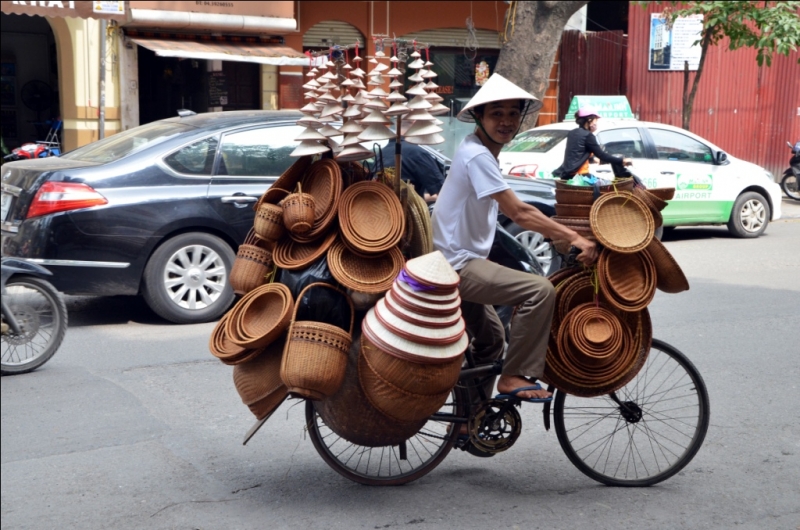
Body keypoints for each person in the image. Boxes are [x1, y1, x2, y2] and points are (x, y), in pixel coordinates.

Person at [431, 74, 599, 409]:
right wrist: (573, 237)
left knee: (492, 341)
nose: (506, 122)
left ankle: (469, 420)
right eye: (497, 114)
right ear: (479, 117)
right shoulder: (477, 156)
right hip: (456, 266)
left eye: (512, 114)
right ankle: (514, 375)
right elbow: (519, 212)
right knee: (539, 290)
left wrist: (558, 230)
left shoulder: (480, 152)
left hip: (456, 261)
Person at [553, 107, 632, 180]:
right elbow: (602, 155)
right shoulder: (588, 135)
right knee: (606, 186)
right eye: (595, 120)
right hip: (581, 176)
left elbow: (577, 153)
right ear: (589, 120)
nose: (596, 123)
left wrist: (592, 159)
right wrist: (622, 160)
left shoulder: (572, 133)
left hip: (567, 175)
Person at [380, 138, 445, 203]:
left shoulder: (380, 154)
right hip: (404, 207)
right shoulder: (417, 152)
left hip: (381, 204)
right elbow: (443, 191)